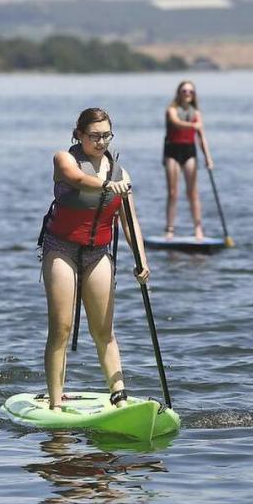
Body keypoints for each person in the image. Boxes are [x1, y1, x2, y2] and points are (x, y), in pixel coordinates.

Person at [38, 107, 150, 411]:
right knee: (60, 328)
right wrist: (105, 185)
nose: (101, 142)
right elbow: (75, 180)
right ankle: (55, 401)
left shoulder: (120, 173)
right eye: (94, 136)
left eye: (106, 136)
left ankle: (119, 393)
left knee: (104, 330)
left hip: (98, 254)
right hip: (61, 250)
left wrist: (141, 260)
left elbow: (130, 222)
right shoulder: (64, 159)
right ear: (79, 134)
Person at [162, 80, 213, 240]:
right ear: (179, 93)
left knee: (192, 192)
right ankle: (170, 229)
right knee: (173, 192)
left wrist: (208, 158)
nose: (187, 94)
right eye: (184, 91)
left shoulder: (196, 113)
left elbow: (201, 137)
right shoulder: (171, 110)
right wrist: (193, 126)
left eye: (190, 91)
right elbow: (176, 123)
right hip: (172, 151)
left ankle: (198, 228)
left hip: (189, 152)